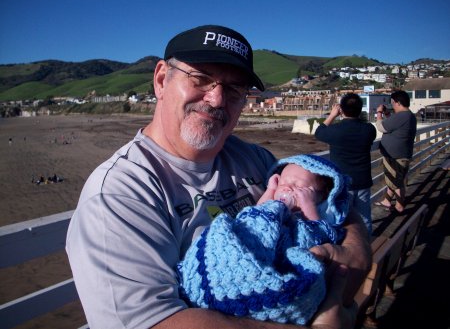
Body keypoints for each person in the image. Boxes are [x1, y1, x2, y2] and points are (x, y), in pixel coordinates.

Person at [66, 24, 371, 329]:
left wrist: (354, 251)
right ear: (161, 80)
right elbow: (153, 322)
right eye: (200, 78)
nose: (216, 99)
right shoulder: (121, 193)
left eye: (235, 89)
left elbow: (334, 202)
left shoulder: (256, 159)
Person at [178, 154, 351, 325]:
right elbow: (257, 212)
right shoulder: (274, 205)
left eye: (301, 188)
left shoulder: (314, 216)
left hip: (284, 257)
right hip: (254, 240)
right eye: (284, 183)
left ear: (321, 197)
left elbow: (318, 234)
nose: (289, 189)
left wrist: (308, 205)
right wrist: (270, 190)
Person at [315, 93, 376, 235]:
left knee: (341, 218)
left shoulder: (336, 131)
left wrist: (332, 115)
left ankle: (347, 247)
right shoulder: (369, 129)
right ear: (360, 110)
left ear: (341, 110)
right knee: (364, 217)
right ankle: (366, 246)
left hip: (342, 183)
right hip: (363, 179)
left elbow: (319, 132)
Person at [374, 90, 417, 213]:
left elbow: (381, 127)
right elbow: (393, 125)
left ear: (397, 102)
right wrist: (387, 114)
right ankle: (387, 201)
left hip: (395, 155)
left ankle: (399, 206)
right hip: (402, 153)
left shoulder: (402, 116)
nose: (392, 105)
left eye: (392, 103)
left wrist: (379, 113)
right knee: (394, 179)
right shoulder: (408, 115)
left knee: (396, 182)